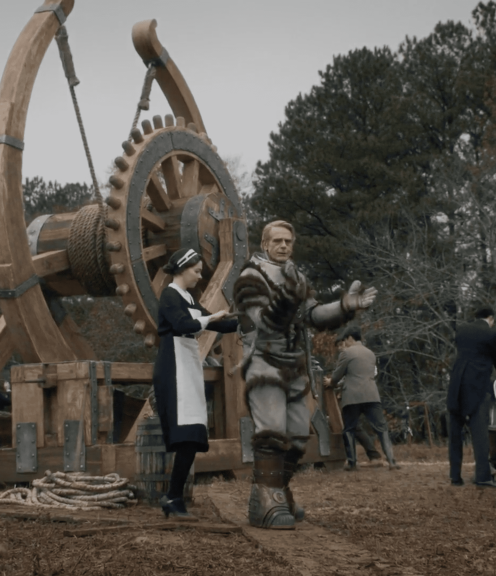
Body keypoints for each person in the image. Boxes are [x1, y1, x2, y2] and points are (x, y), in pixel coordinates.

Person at [233, 220, 376, 530]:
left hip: (294, 365)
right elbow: (264, 321)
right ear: (265, 244)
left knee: (298, 436)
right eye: (278, 241)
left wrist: (344, 306)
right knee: (272, 432)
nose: (284, 245)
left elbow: (312, 313)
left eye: (288, 241)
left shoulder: (295, 276)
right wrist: (290, 294)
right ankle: (266, 500)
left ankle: (280, 492)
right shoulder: (250, 276)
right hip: (265, 363)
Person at [152, 248, 238, 519]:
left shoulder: (189, 297)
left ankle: (173, 496)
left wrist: (250, 320)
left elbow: (219, 325)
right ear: (182, 269)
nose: (200, 277)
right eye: (197, 271)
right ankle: (173, 497)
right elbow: (182, 325)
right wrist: (209, 318)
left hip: (187, 366)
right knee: (187, 433)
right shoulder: (169, 295)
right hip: (173, 367)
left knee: (193, 433)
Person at [446, 306, 496, 488]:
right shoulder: (493, 334)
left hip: (456, 385)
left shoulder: (461, 331)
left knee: (455, 433)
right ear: (491, 318)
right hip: (477, 387)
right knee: (480, 433)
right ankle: (482, 476)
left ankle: (455, 476)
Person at [325, 326, 399, 471]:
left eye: (345, 340)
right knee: (382, 428)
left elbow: (337, 376)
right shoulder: (370, 353)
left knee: (349, 428)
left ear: (350, 338)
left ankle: (352, 463)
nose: (345, 343)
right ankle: (391, 461)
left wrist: (331, 382)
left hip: (352, 396)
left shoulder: (347, 353)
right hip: (372, 395)